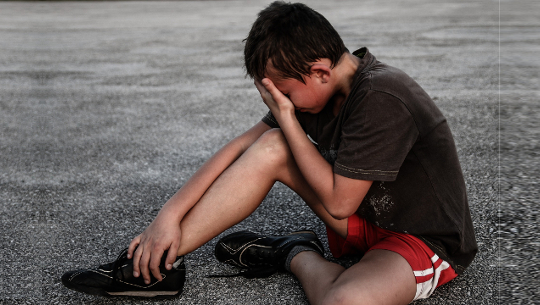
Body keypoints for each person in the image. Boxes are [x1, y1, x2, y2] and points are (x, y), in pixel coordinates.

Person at [62, 2, 477, 304]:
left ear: (319, 70)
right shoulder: (315, 91)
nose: (284, 104)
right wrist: (167, 217)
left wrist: (287, 117)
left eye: (286, 94)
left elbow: (338, 201)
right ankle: (151, 269)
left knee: (343, 302)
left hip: (420, 238)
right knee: (271, 145)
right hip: (364, 217)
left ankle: (295, 253)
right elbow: (242, 147)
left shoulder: (383, 96)